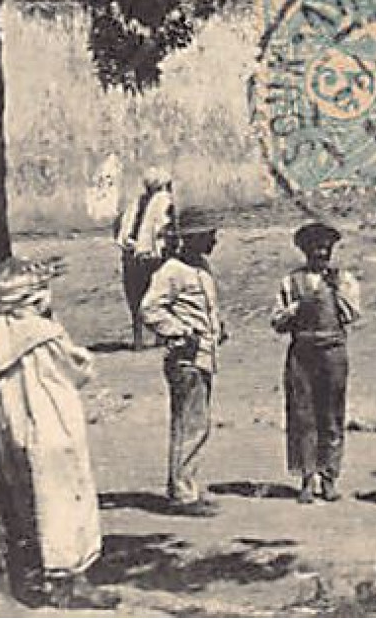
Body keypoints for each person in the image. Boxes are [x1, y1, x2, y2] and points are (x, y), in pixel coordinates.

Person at [0, 256, 117, 609]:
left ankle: (46, 576)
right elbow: (78, 369)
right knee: (68, 501)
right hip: (55, 425)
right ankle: (70, 580)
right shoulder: (46, 334)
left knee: (35, 502)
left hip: (17, 427)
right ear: (36, 296)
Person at [141, 210, 226, 516]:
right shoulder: (172, 271)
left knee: (197, 423)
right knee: (188, 424)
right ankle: (182, 494)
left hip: (203, 356)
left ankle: (186, 484)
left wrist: (218, 327)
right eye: (209, 235)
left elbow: (203, 308)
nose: (215, 240)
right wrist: (180, 331)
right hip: (185, 358)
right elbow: (149, 309)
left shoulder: (201, 267)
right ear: (192, 239)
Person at [273, 222, 361, 504]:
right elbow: (277, 322)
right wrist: (298, 308)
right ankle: (306, 478)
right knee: (302, 415)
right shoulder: (291, 281)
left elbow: (351, 315)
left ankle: (329, 477)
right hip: (302, 351)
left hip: (333, 351)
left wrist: (337, 292)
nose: (322, 253)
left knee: (332, 414)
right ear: (305, 250)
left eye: (326, 248)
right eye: (316, 248)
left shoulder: (345, 279)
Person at [116, 167, 175, 349]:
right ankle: (160, 335)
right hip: (153, 256)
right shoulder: (165, 201)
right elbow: (165, 228)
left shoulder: (135, 203)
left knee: (135, 296)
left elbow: (122, 229)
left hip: (132, 254)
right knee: (159, 295)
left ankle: (138, 339)